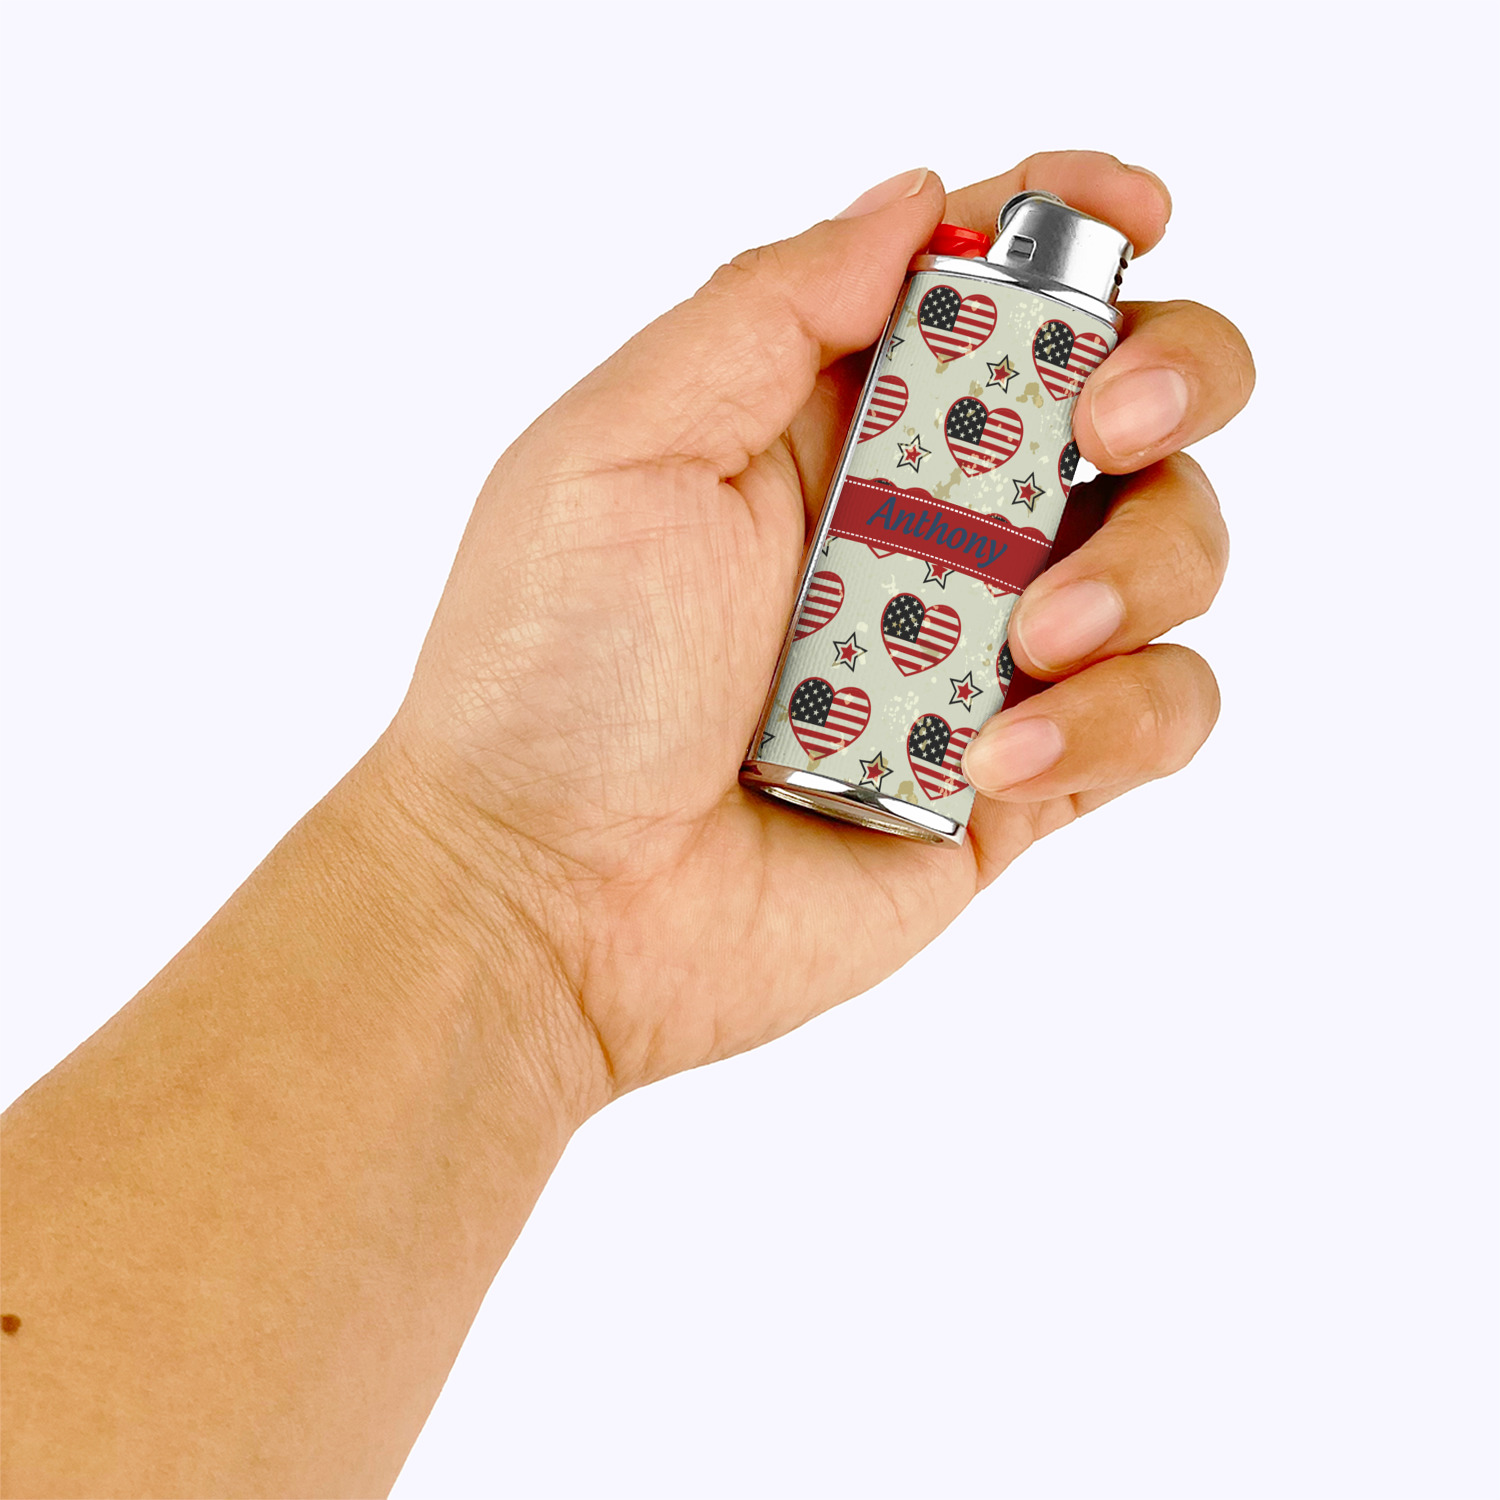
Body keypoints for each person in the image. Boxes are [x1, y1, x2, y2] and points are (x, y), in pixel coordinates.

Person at [0, 152, 1252, 1498]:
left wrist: (511, 902)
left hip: (887, 768)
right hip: (809, 751)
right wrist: (502, 873)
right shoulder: (948, 308)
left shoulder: (1033, 339)